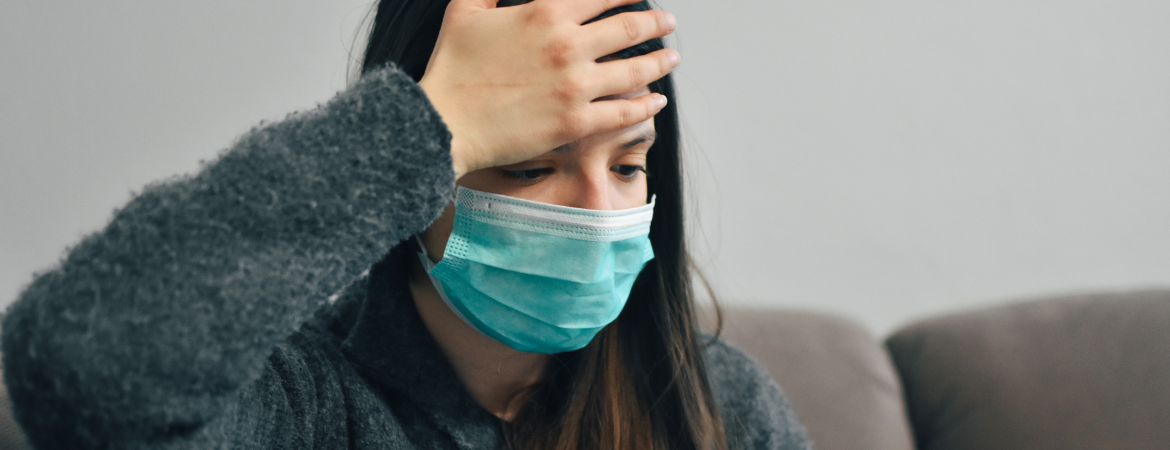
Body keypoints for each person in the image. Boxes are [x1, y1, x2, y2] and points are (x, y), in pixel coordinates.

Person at [1, 0, 811, 449]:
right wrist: (429, 119)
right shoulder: (303, 407)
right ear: (422, 171)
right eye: (529, 165)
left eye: (629, 167)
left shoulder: (718, 404)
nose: (602, 214)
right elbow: (78, 366)